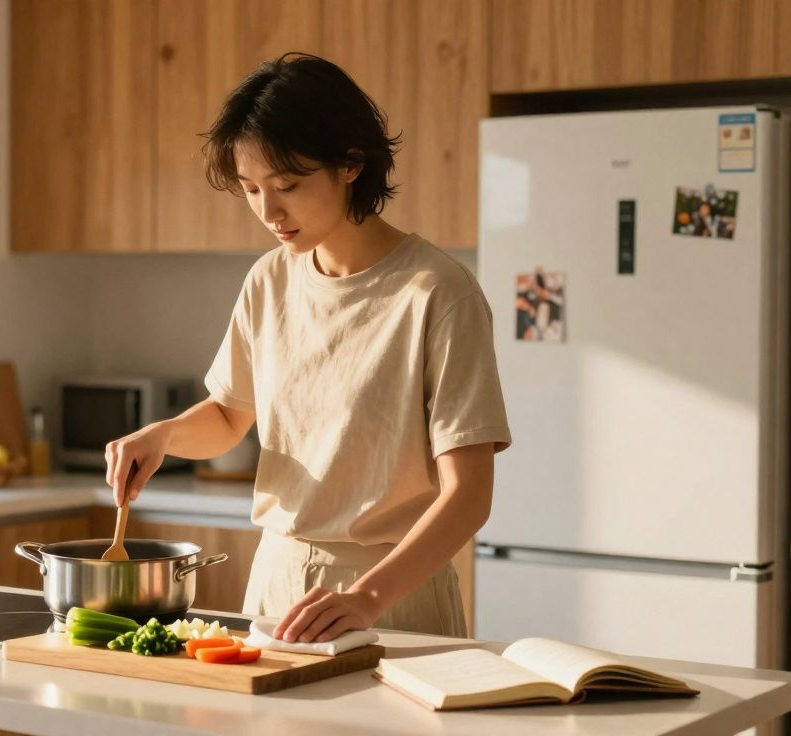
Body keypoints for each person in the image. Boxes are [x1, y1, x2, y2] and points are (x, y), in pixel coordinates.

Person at [104, 53, 511, 643]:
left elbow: (468, 497)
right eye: (250, 190)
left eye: (287, 186)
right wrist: (163, 435)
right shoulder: (269, 280)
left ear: (350, 163)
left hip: (389, 598)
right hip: (276, 588)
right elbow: (227, 416)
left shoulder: (438, 293)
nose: (269, 211)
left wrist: (367, 597)